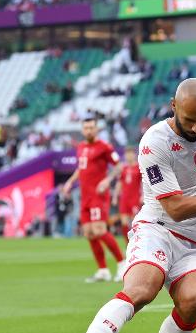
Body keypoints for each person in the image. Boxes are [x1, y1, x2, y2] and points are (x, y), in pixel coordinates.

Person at [85, 78, 196, 333]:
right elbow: (176, 208)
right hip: (158, 229)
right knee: (142, 290)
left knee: (193, 303)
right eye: (190, 119)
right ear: (173, 106)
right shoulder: (154, 143)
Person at [62, 116, 126, 283]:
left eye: (91, 127)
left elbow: (119, 166)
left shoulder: (104, 147)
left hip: (98, 195)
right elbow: (81, 168)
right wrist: (70, 182)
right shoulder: (81, 147)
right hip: (85, 196)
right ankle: (103, 270)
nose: (89, 130)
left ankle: (122, 263)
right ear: (82, 130)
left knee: (99, 230)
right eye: (86, 128)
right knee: (89, 233)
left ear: (96, 129)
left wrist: (107, 180)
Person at [112, 147, 143, 245]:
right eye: (127, 154)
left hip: (135, 198)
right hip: (124, 199)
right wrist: (115, 196)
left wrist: (143, 195)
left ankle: (138, 243)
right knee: (124, 223)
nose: (128, 156)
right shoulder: (123, 168)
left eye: (130, 153)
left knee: (136, 222)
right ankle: (128, 245)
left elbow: (143, 183)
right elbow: (120, 183)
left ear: (134, 155)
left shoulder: (138, 167)